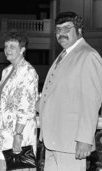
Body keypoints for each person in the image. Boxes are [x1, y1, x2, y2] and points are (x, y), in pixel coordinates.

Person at [38, 11, 102, 171]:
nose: (61, 33)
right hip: (53, 139)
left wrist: (85, 139)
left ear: (79, 30)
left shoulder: (88, 55)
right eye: (58, 29)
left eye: (67, 28)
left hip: (71, 141)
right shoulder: (64, 55)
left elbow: (91, 101)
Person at [0, 31, 39, 171]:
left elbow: (27, 107)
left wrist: (18, 135)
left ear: (22, 49)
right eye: (6, 46)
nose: (7, 50)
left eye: (12, 46)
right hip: (2, 134)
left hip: (19, 135)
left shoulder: (28, 72)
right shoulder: (6, 71)